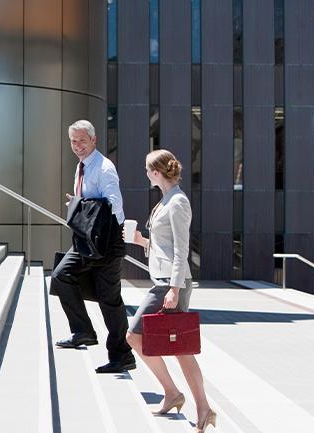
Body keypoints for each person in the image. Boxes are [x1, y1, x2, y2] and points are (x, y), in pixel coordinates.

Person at [125, 149, 216, 433]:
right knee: (178, 348)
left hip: (170, 284)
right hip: (164, 281)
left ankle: (184, 398)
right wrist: (142, 242)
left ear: (156, 172)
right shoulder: (164, 201)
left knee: (135, 336)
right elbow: (164, 246)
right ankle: (189, 402)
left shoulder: (177, 202)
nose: (145, 173)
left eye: (146, 169)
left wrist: (175, 288)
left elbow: (181, 249)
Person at [51, 119, 136, 374]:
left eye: (82, 141)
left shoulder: (104, 167)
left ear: (94, 140)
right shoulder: (81, 167)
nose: (77, 146)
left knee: (109, 300)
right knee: (61, 275)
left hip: (107, 242)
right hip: (85, 240)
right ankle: (83, 331)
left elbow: (115, 207)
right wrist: (78, 205)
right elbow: (92, 203)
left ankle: (122, 355)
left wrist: (83, 207)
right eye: (73, 141)